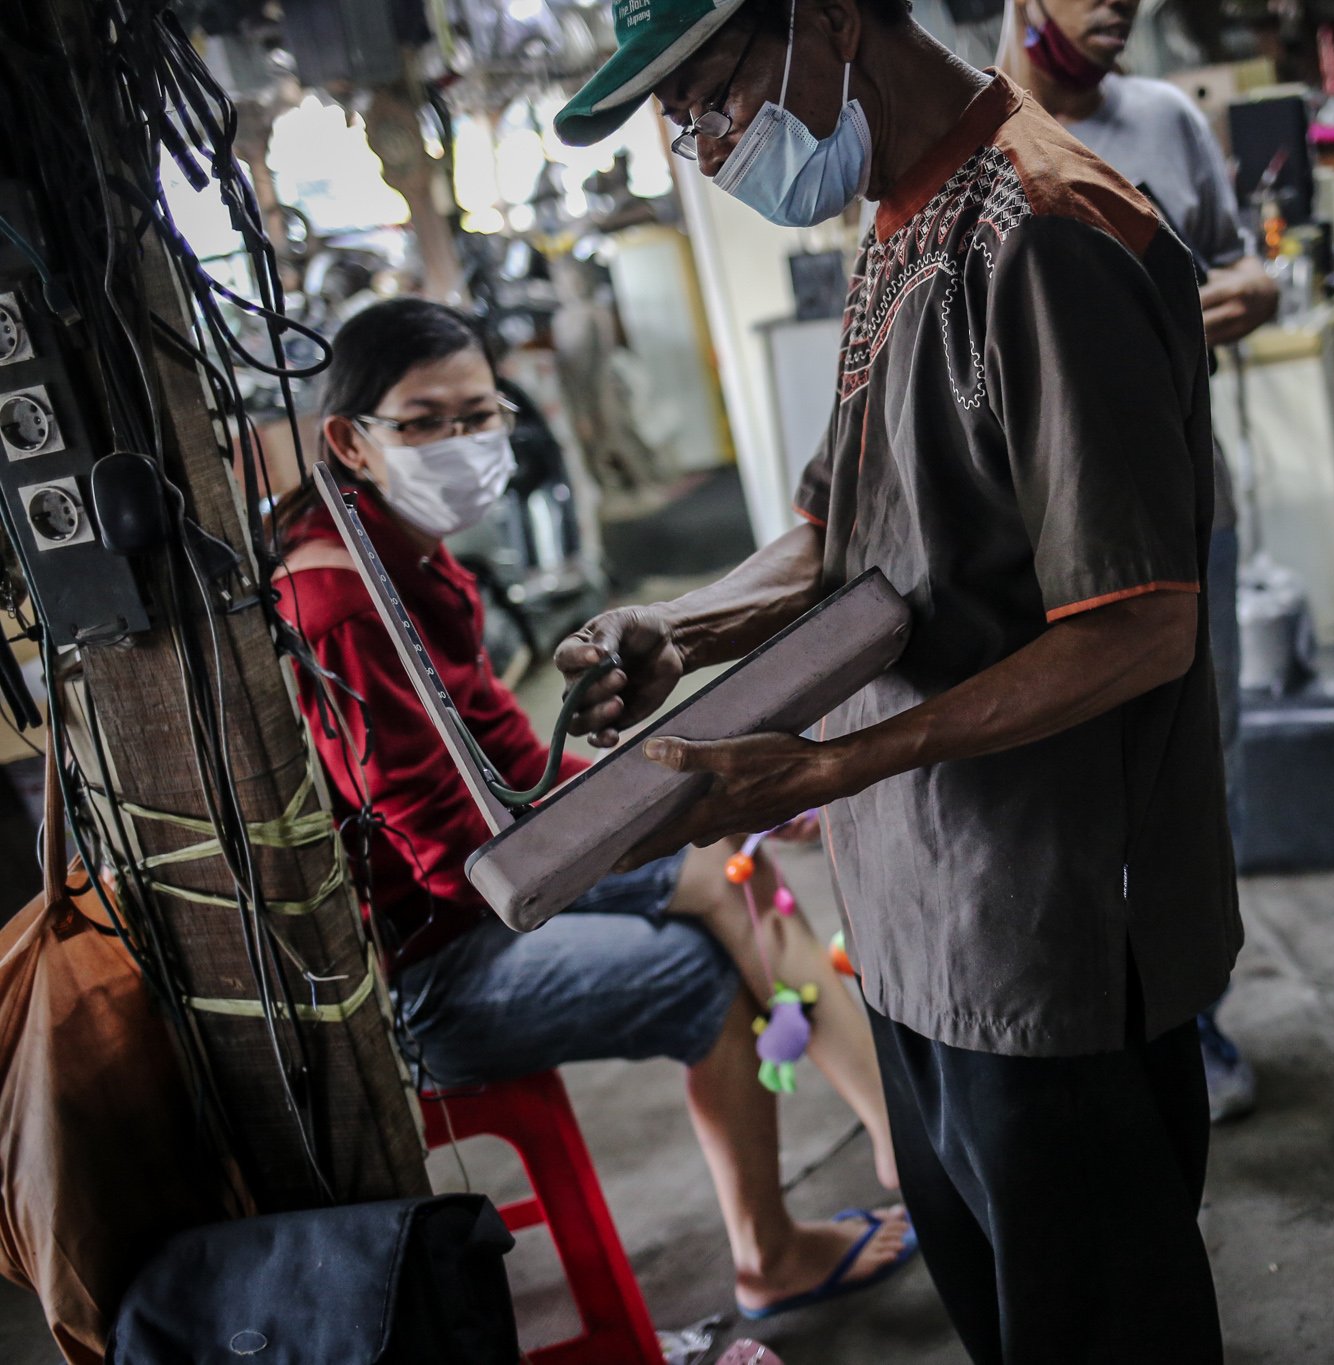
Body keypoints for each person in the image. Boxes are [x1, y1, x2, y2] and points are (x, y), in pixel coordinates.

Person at [554, 0, 1241, 1359]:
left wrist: (825, 765)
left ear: (833, 20)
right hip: (921, 915)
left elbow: (1139, 626)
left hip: (1044, 929)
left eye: (707, 94)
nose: (698, 144)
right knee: (1002, 1306)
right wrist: (682, 626)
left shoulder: (1046, 237)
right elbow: (846, 525)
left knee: (1098, 1322)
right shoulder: (903, 216)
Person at [270, 298, 916, 1322]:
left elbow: (514, 766)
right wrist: (677, 820)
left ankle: (859, 1163)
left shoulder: (404, 560)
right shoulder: (342, 603)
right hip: (431, 971)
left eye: (478, 415)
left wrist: (696, 797)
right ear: (348, 441)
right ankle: (868, 1164)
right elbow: (450, 856)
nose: (463, 443)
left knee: (725, 868)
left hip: (472, 903)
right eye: (425, 420)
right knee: (710, 918)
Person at [1000, 0, 1275, 1123]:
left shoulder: (1164, 120)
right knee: (1060, 781)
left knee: (1198, 763)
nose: (1118, 5)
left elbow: (1247, 273)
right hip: (1027, 531)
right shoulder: (971, 130)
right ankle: (1081, 1027)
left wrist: (1227, 299)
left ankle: (1189, 1010)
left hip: (1178, 497)